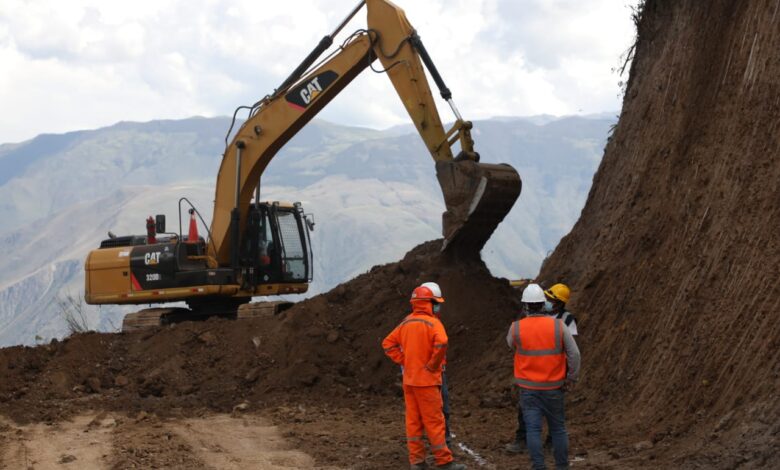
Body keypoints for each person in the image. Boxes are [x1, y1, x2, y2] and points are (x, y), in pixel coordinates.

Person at [383, 283, 467, 470]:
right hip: (427, 383)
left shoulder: (406, 322)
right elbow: (442, 342)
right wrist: (433, 365)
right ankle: (444, 462)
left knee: (413, 422)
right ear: (428, 303)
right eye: (436, 303)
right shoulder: (433, 323)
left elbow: (387, 343)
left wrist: (404, 360)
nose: (438, 306)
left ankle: (417, 462)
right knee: (435, 422)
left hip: (410, 382)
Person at [507, 283, 580, 470]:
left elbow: (511, 344)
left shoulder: (516, 328)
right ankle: (562, 466)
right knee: (558, 429)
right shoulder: (560, 326)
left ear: (525, 306)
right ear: (543, 304)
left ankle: (538, 466)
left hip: (528, 389)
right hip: (554, 387)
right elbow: (574, 354)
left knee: (533, 430)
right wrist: (571, 378)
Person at [421, 282, 453, 445]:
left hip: (435, 371)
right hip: (430, 372)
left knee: (442, 406)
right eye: (435, 303)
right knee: (436, 406)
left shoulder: (433, 321)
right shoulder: (424, 323)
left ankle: (444, 436)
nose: (438, 307)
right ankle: (441, 438)